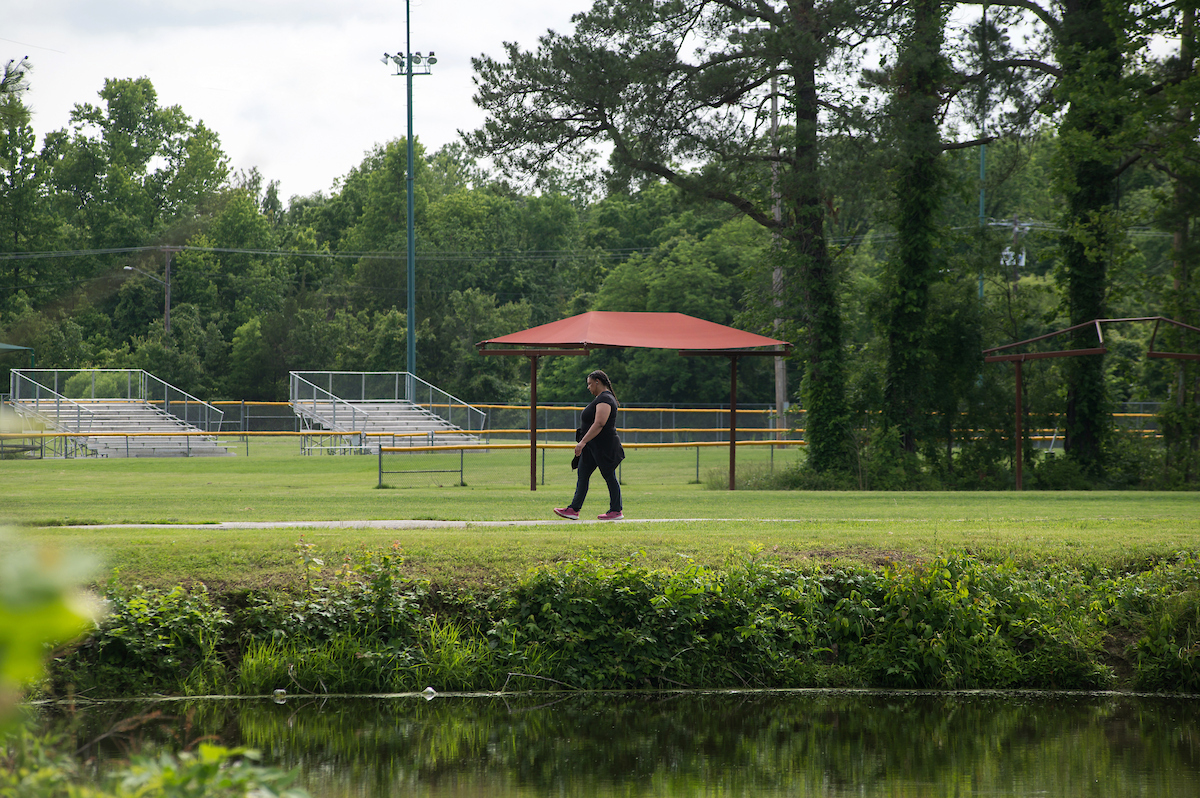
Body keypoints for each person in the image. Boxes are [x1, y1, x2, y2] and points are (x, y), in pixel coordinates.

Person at [554, 369, 625, 521]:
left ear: (598, 382)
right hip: (593, 447)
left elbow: (599, 423)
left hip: (603, 447)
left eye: (590, 384)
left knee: (609, 475)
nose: (588, 387)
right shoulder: (601, 398)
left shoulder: (606, 399)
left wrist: (582, 442)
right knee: (583, 474)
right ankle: (573, 509)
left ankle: (616, 510)